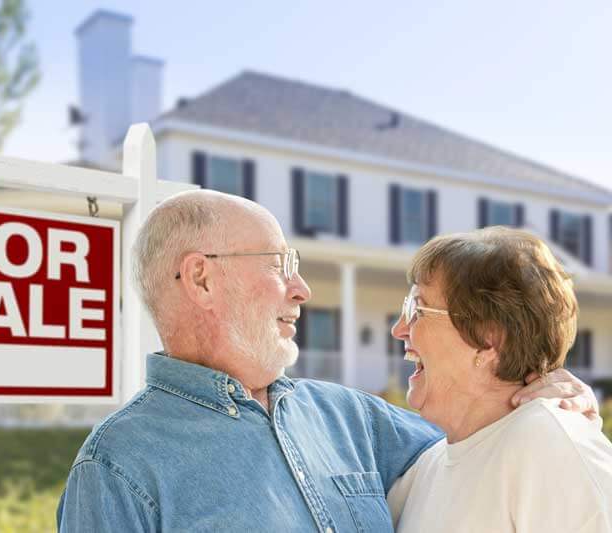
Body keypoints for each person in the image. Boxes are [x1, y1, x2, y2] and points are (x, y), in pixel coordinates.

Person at [57, 190, 599, 532]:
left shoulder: (351, 418)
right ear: (201, 278)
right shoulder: (116, 471)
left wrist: (549, 386)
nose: (302, 289)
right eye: (280, 264)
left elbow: (485, 435)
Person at [388, 227, 612, 532]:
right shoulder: (423, 470)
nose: (399, 329)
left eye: (417, 309)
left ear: (488, 337)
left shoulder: (548, 442)